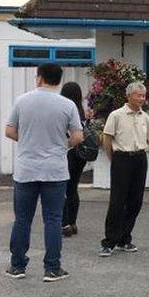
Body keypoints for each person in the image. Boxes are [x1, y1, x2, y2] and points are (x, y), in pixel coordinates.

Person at [4, 63, 84, 281]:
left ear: (39, 78)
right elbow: (78, 137)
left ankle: (17, 266)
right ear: (58, 80)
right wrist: (61, 145)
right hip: (55, 170)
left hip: (26, 170)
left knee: (22, 219)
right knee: (53, 219)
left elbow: (9, 130)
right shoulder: (67, 105)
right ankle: (52, 268)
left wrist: (29, 141)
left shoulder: (22, 100)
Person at [99, 82, 149, 257]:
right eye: (138, 95)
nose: (141, 99)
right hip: (121, 158)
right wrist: (113, 159)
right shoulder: (116, 115)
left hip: (139, 158)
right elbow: (107, 139)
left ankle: (124, 238)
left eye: (143, 96)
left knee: (135, 201)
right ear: (128, 96)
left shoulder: (145, 117)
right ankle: (109, 241)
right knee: (117, 201)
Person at [60, 82, 88, 238]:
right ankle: (73, 222)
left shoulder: (65, 110)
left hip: (68, 152)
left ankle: (64, 224)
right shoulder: (81, 112)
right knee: (73, 188)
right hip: (80, 155)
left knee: (62, 189)